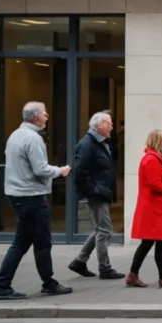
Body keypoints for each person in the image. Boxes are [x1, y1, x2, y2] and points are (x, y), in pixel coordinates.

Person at [0, 102, 73, 300]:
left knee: (21, 242)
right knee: (42, 242)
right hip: (32, 196)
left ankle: (2, 286)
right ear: (36, 117)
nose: (47, 117)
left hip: (18, 195)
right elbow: (40, 169)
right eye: (44, 113)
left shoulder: (15, 135)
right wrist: (60, 171)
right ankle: (48, 284)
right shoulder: (33, 138)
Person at [68, 111, 125, 280]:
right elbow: (80, 173)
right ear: (99, 125)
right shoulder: (87, 144)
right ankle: (105, 269)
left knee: (100, 229)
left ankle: (79, 261)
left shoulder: (101, 142)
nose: (112, 126)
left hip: (101, 191)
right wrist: (94, 191)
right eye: (109, 123)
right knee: (105, 230)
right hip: (97, 193)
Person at [128, 129, 162, 288]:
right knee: (157, 242)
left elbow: (156, 183)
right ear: (158, 141)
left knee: (152, 242)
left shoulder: (152, 158)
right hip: (153, 208)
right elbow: (155, 184)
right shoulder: (152, 159)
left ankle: (135, 275)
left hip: (154, 206)